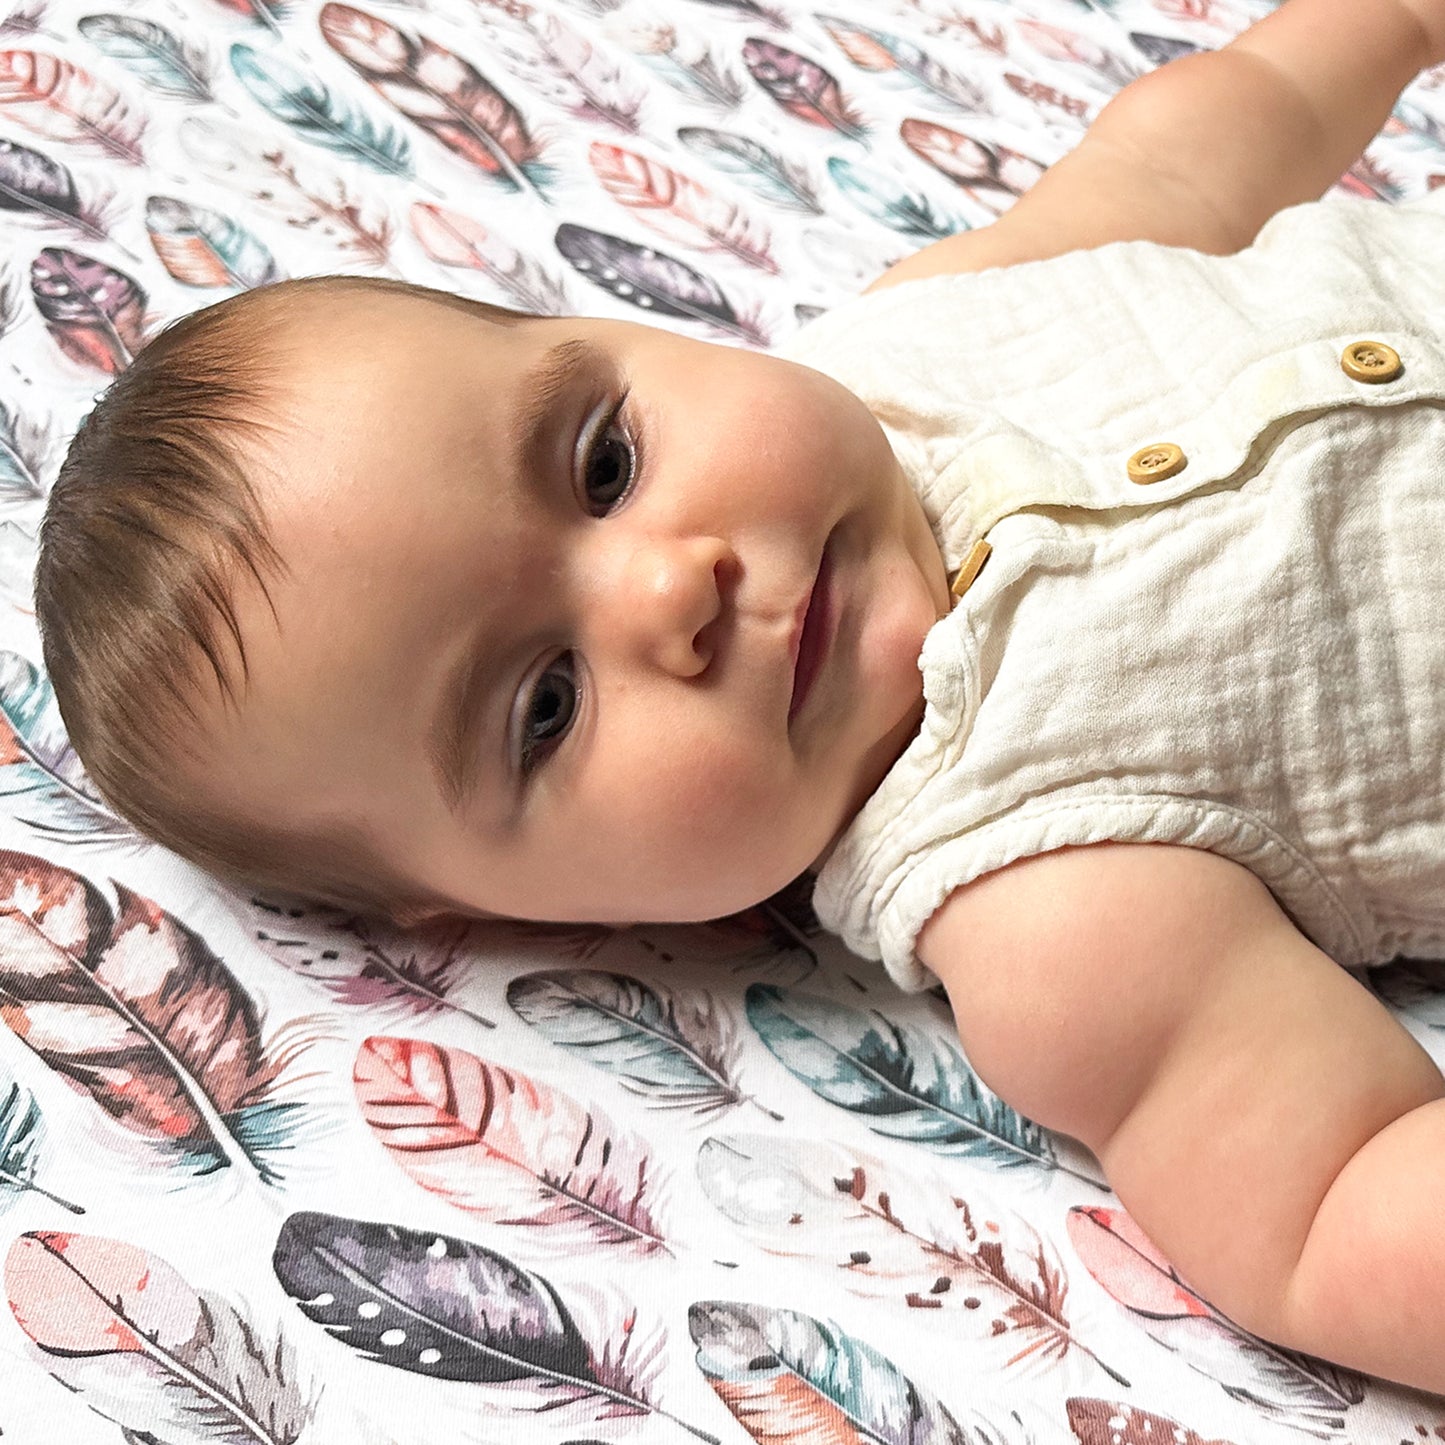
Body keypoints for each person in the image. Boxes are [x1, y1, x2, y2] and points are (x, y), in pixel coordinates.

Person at [32, 0, 1445, 1393]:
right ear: (521, 908)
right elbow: (1330, 1207)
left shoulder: (916, 335)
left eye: (601, 463)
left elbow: (1184, 157)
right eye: (545, 707)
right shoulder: (1047, 902)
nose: (670, 594)